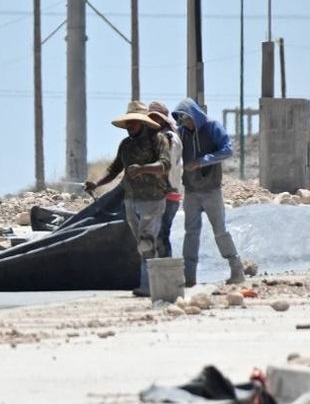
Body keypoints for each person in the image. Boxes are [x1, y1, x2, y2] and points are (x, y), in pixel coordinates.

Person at [83, 100, 171, 296]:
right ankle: (156, 283)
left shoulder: (158, 140)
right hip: (131, 200)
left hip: (153, 199)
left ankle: (149, 286)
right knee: (142, 242)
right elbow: (114, 170)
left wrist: (142, 169)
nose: (130, 126)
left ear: (142, 123)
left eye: (133, 122)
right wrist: (96, 184)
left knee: (147, 242)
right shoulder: (126, 145)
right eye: (128, 122)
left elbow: (164, 165)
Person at [174, 98, 247, 286]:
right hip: (191, 191)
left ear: (195, 115)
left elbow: (227, 150)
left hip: (211, 190)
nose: (185, 123)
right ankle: (189, 277)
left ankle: (236, 269)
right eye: (182, 120)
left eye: (187, 119)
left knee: (220, 231)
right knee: (191, 233)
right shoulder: (181, 133)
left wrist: (201, 161)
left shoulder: (212, 127)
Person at [148, 100, 183, 259]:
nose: (153, 121)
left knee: (161, 235)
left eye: (156, 118)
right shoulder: (160, 137)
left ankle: (165, 269)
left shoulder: (168, 138)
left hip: (166, 195)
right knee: (159, 234)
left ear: (162, 119)